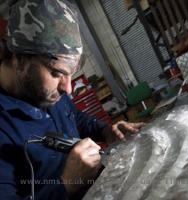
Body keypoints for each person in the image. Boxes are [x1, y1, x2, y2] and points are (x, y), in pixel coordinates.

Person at [0, 0, 145, 199]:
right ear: (21, 59)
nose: (68, 89)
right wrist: (67, 184)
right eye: (57, 73)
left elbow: (74, 117)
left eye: (70, 75)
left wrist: (106, 131)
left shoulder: (44, 89)